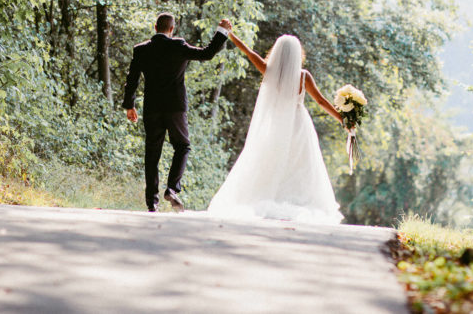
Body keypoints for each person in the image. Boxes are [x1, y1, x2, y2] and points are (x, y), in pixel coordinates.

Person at [207, 31, 344, 224]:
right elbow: (321, 101)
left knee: (271, 161)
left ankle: (270, 198)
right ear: (298, 55)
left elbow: (249, 52)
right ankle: (295, 200)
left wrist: (232, 35)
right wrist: (342, 119)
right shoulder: (303, 77)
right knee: (299, 165)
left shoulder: (269, 71)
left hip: (275, 125)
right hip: (298, 126)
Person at [122, 13, 232, 212]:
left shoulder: (141, 50)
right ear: (172, 29)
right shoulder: (178, 46)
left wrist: (130, 105)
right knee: (182, 147)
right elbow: (207, 54)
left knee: (152, 154)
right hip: (175, 108)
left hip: (152, 108)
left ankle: (151, 203)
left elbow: (132, 79)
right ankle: (172, 188)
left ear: (155, 27)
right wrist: (222, 32)